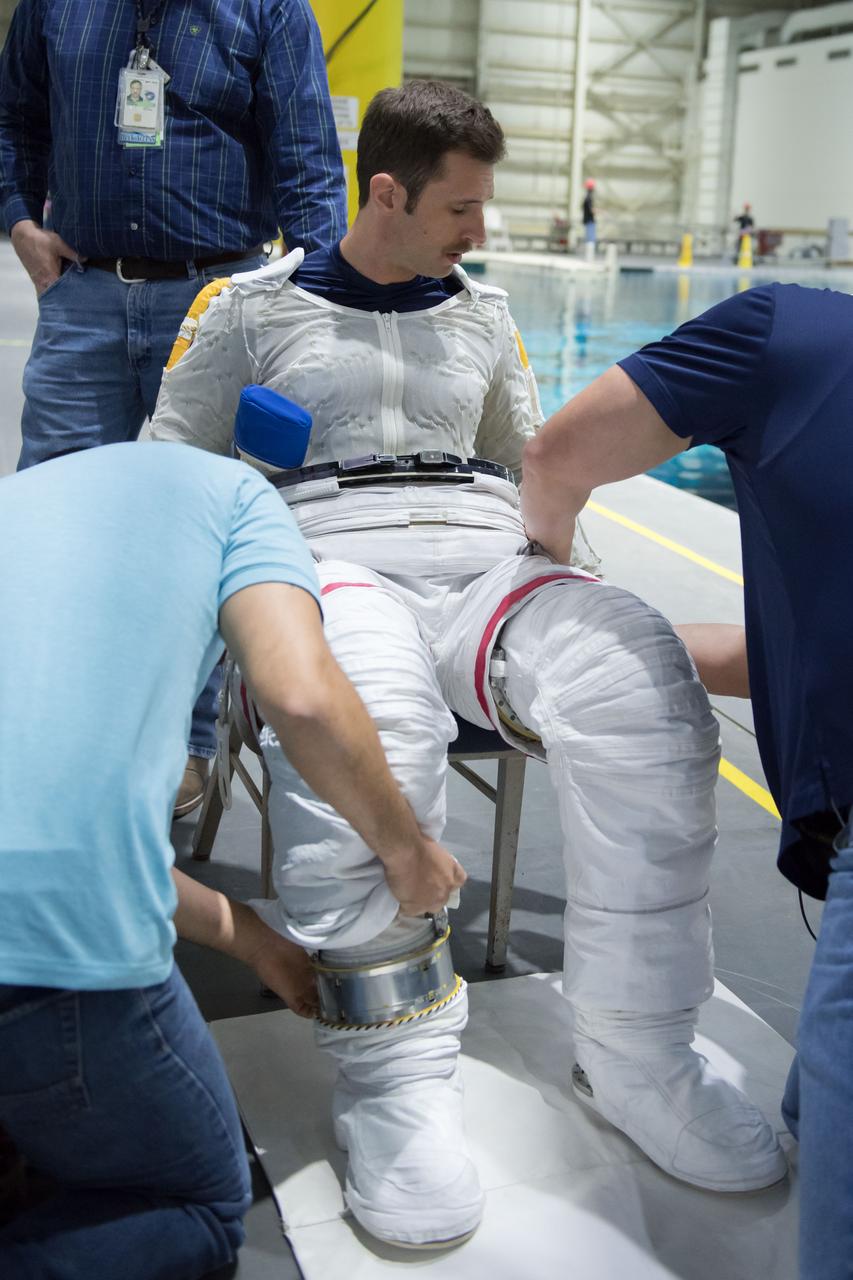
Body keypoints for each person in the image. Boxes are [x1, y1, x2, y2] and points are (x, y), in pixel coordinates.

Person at [146, 80, 786, 1250]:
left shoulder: (483, 317)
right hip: (329, 556)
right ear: (387, 192)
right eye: (462, 207)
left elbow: (528, 464)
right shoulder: (246, 308)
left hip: (483, 555)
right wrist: (211, 624)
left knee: (635, 676)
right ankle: (393, 1076)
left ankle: (641, 1053)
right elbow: (167, 467)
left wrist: (579, 594)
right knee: (370, 719)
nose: (480, 230)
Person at [0, 441, 464, 1280]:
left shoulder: (24, 501)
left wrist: (253, 940)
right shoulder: (244, 500)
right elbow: (303, 696)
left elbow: (46, 811)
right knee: (190, 1208)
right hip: (37, 949)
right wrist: (406, 850)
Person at [520, 281, 853, 1280]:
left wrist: (543, 593)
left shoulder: (789, 335)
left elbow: (552, 455)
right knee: (812, 1106)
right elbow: (807, 647)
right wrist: (608, 636)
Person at [0, 0, 347, 818]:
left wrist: (318, 323)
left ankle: (183, 745)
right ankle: (41, 732)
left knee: (197, 534)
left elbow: (308, 167)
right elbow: (14, 120)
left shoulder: (267, 10)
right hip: (83, 293)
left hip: (219, 298)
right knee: (45, 528)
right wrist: (19, 220)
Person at [582, 177, 596, 252]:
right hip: (590, 220)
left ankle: (589, 253)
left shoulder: (587, 197)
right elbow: (591, 210)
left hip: (587, 220)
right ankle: (590, 254)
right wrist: (598, 211)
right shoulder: (589, 198)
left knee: (589, 238)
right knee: (591, 239)